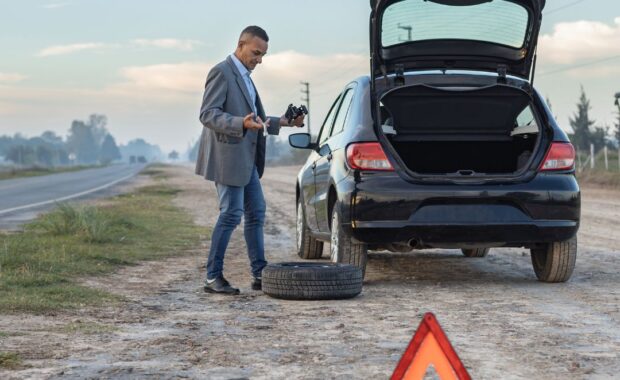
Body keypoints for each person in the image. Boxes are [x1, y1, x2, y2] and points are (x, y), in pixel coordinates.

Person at [195, 25, 305, 295]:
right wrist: (238, 123)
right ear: (241, 44)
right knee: (232, 214)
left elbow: (257, 120)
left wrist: (285, 122)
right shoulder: (222, 71)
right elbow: (208, 114)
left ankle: (259, 274)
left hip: (247, 161)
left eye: (263, 54)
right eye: (256, 53)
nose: (260, 59)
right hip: (227, 157)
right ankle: (212, 277)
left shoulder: (245, 76)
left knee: (256, 213)